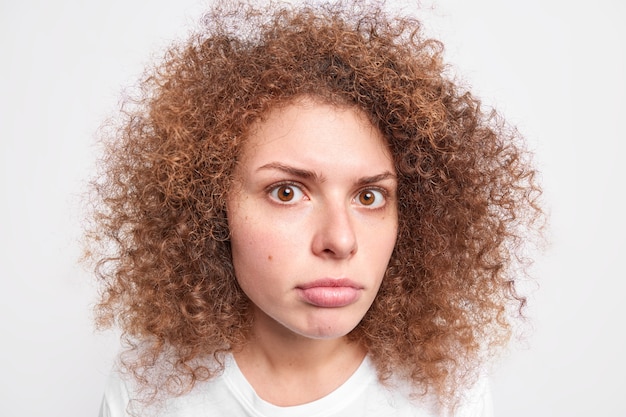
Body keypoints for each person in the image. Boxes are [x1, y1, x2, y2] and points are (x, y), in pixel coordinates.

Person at [85, 1, 543, 416]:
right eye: (287, 192)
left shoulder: (446, 389)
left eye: (369, 196)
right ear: (210, 204)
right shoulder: (149, 391)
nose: (340, 241)